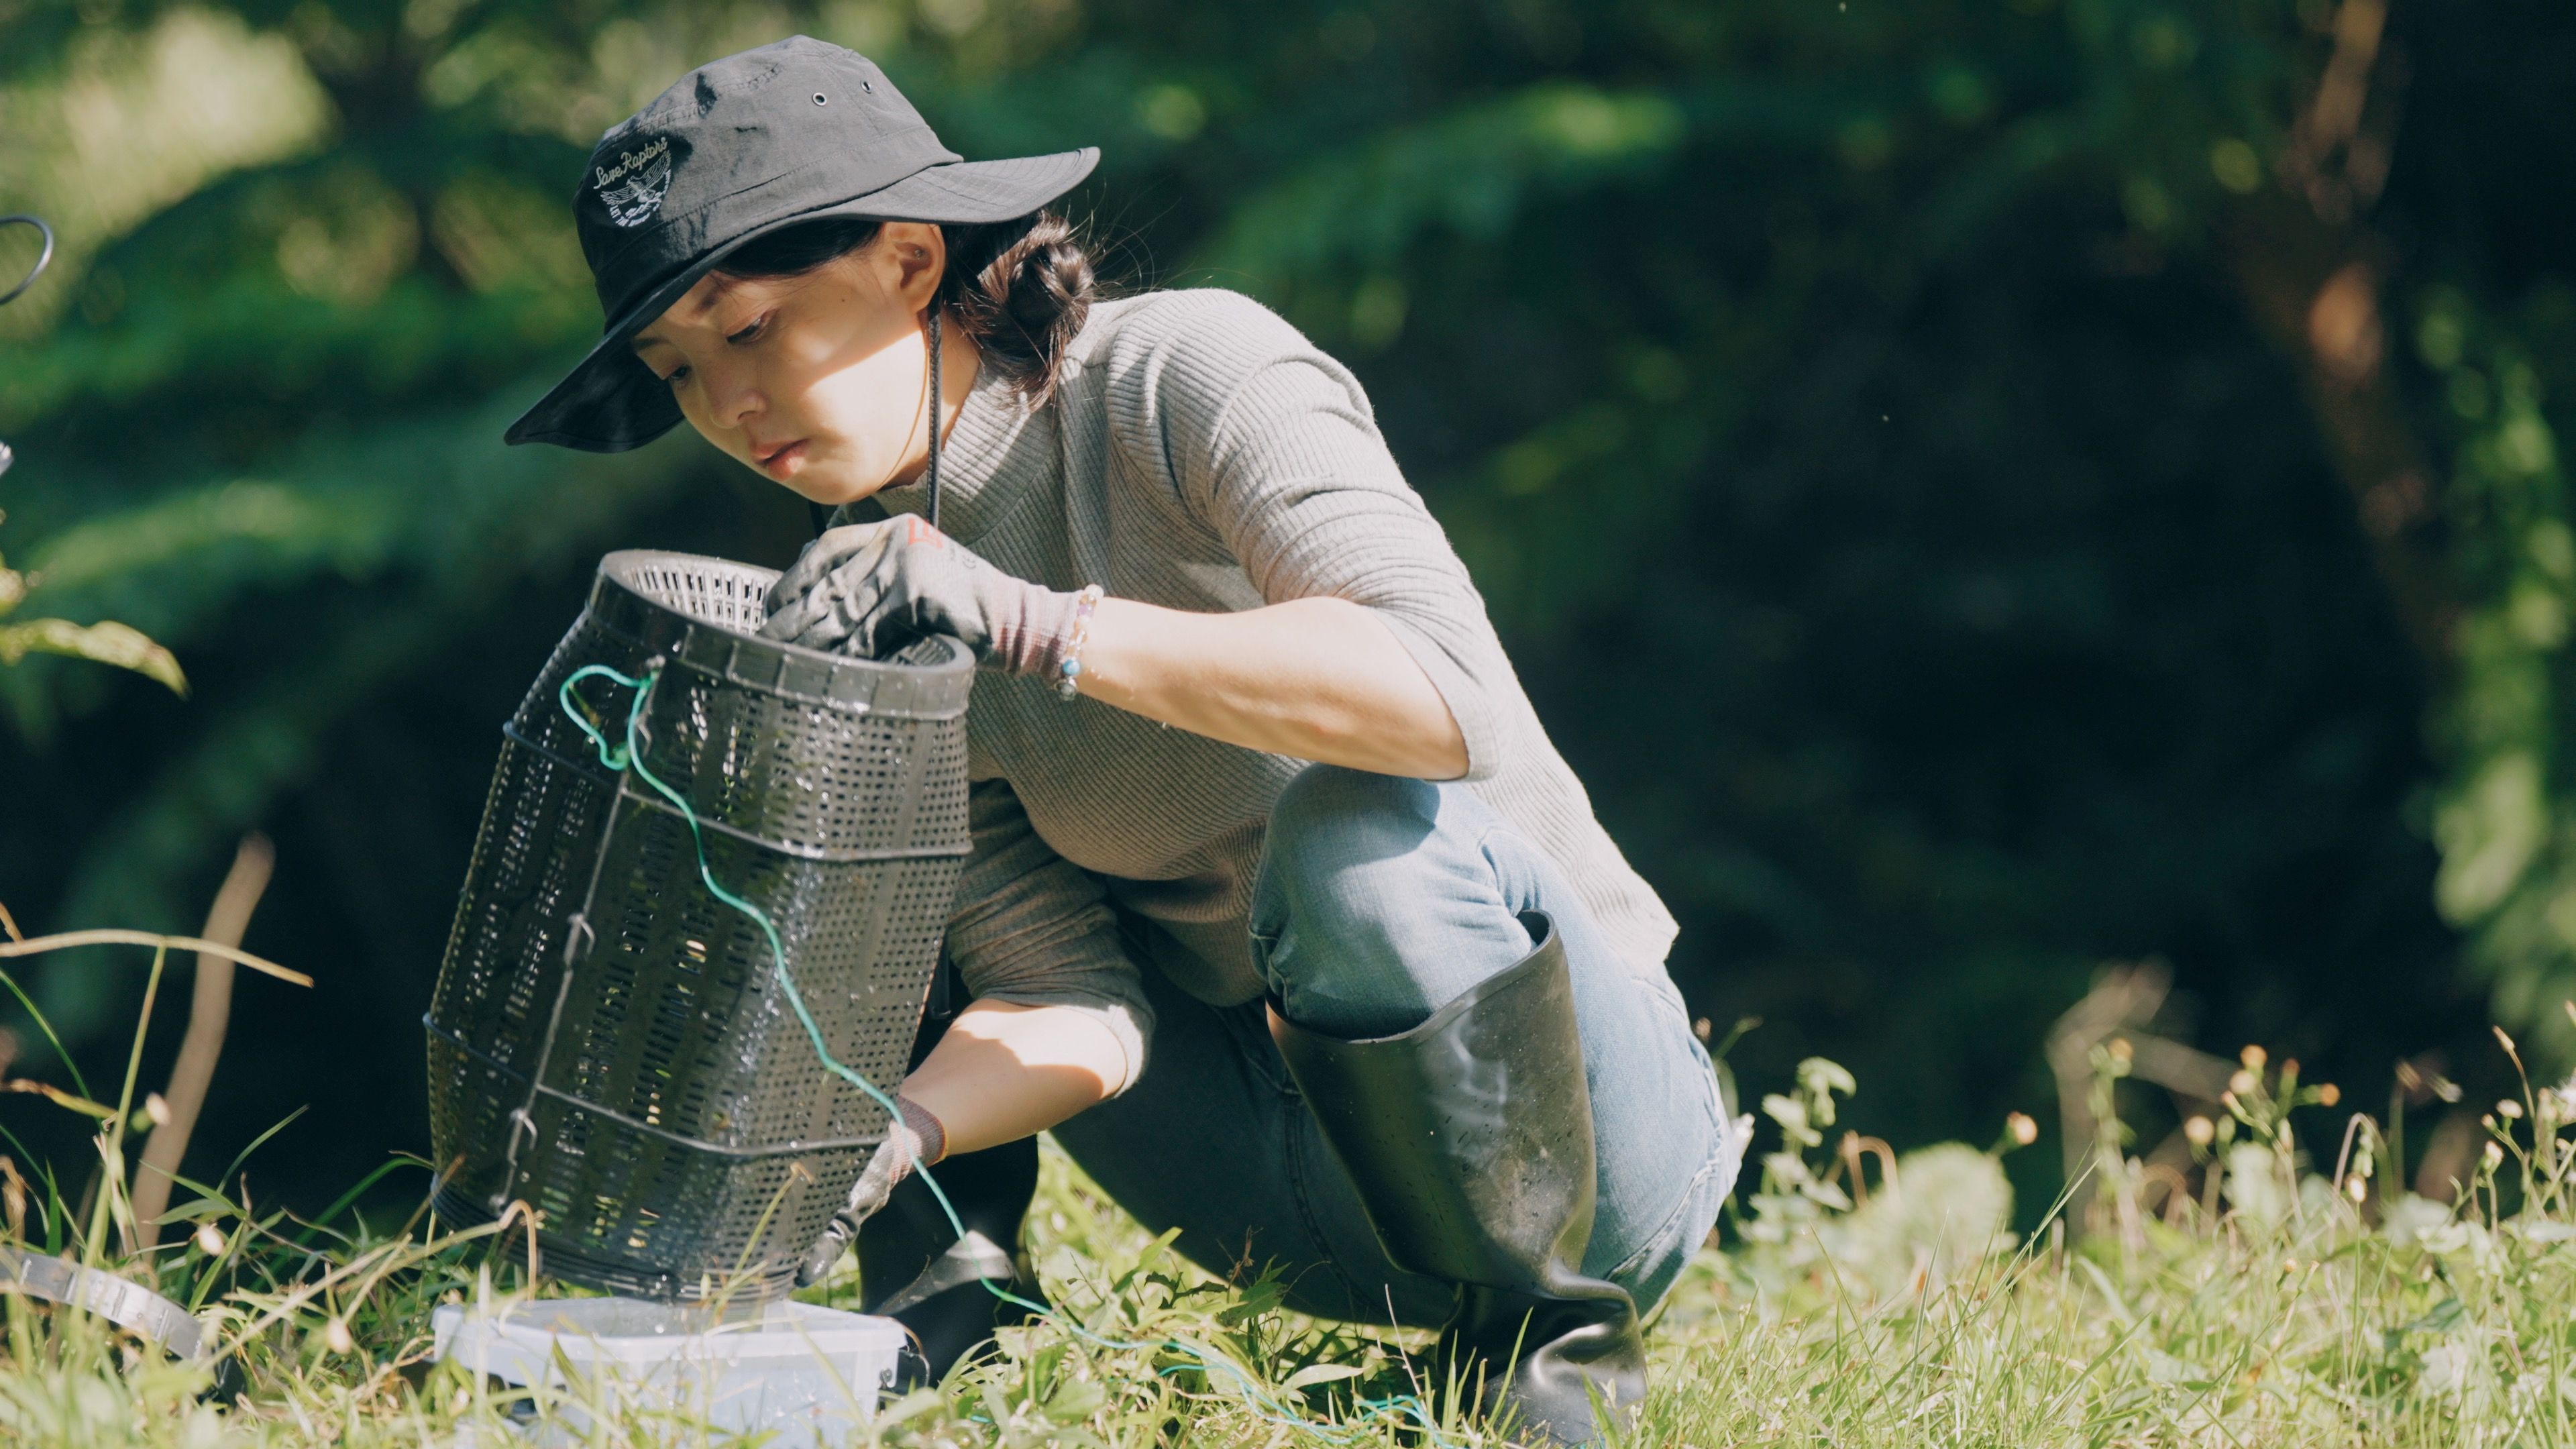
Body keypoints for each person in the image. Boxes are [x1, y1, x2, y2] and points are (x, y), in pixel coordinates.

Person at [505, 36, 1741, 1444]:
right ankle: (938, 1317)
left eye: (748, 330)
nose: (724, 406)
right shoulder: (873, 591)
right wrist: (890, 1134)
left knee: (1347, 840)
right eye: (675, 373)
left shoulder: (1183, 375)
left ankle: (1544, 1370)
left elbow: (1440, 697)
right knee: (842, 865)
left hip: (1578, 1158)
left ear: (911, 263)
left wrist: (1030, 622)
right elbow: (1070, 999)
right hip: (1294, 1203)